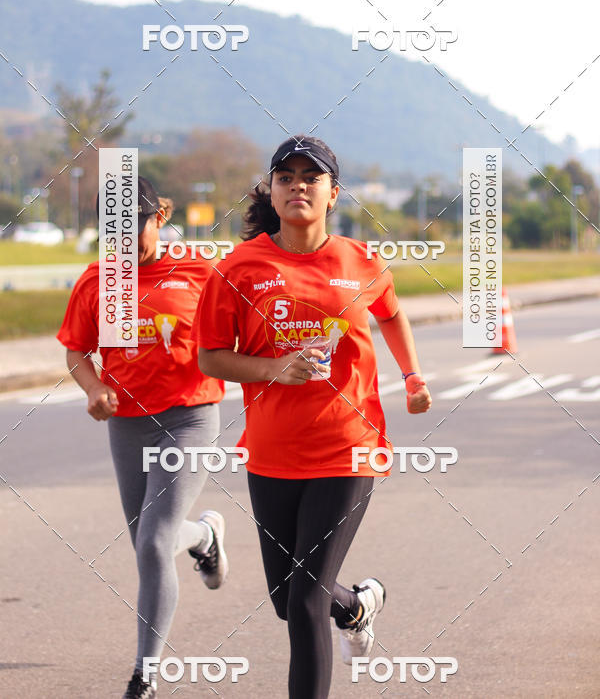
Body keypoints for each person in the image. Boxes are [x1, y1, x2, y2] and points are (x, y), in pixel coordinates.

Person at [192, 136, 432, 698]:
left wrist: (414, 376)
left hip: (348, 448)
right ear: (272, 193)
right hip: (272, 453)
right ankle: (357, 606)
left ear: (332, 194)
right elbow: (209, 357)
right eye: (286, 176)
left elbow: (392, 316)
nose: (298, 184)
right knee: (288, 601)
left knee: (304, 601)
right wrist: (274, 367)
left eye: (311, 177)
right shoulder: (239, 267)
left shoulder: (361, 261)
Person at [57, 176, 228, 699]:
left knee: (153, 543)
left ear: (162, 214)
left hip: (190, 416)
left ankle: (145, 676)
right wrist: (93, 388)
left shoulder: (200, 271)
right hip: (128, 422)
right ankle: (204, 537)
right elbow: (77, 351)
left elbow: (244, 325)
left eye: (136, 221)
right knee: (147, 545)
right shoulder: (95, 282)